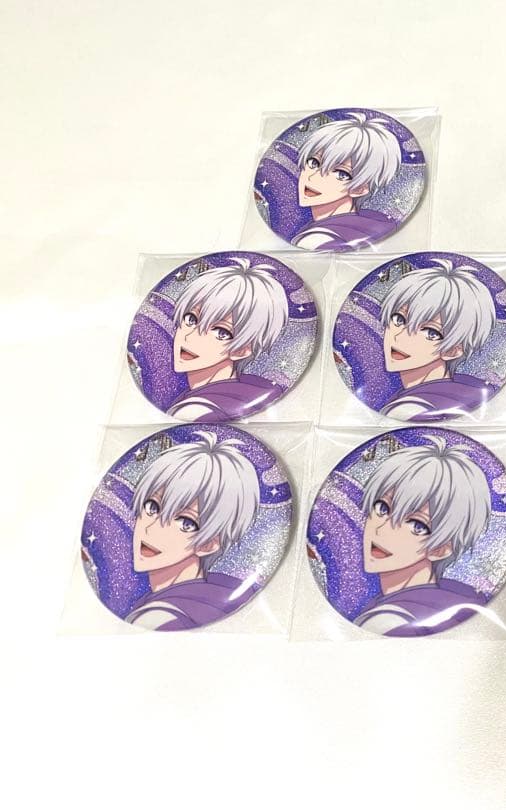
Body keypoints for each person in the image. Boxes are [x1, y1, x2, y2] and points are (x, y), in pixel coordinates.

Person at [354, 437, 491, 636]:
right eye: (382, 508)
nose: (382, 529)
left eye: (417, 525)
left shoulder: (390, 622)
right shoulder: (457, 598)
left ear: (441, 549)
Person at [126, 431, 260, 630]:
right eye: (152, 507)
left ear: (209, 544)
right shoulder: (221, 590)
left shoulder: (162, 617)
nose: (151, 529)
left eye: (185, 522)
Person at [167, 258, 289, 422]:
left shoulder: (196, 410)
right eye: (191, 319)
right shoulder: (249, 389)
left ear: (242, 349)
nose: (190, 337)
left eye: (220, 332)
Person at [379, 259, 497, 421]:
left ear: (453, 350)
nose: (400, 337)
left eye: (430, 332)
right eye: (399, 319)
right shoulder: (468, 389)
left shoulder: (411, 409)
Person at [291, 112, 403, 250]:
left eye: (341, 174)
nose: (313, 177)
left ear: (360, 188)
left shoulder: (317, 240)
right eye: (313, 163)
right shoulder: (374, 222)